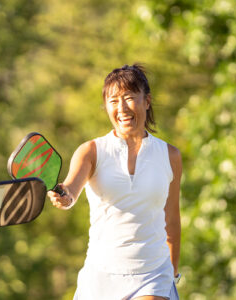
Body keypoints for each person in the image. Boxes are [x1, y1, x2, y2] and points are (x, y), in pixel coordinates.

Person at [48, 64, 182, 300]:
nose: (121, 108)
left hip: (153, 276)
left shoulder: (170, 156)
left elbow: (171, 219)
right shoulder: (91, 151)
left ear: (147, 101)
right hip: (100, 277)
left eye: (129, 98)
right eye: (113, 101)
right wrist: (64, 195)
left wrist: (172, 273)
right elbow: (70, 190)